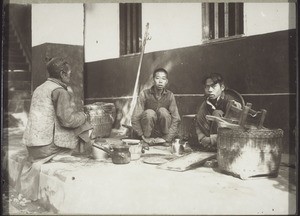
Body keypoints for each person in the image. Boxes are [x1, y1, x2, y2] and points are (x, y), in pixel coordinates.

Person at [19, 57, 92, 200]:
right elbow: (67, 121)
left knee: (75, 122)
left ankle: (59, 153)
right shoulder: (60, 91)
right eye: (69, 74)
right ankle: (79, 153)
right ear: (62, 74)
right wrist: (84, 116)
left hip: (32, 147)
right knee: (83, 125)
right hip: (44, 148)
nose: (70, 76)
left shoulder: (40, 88)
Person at [131, 68, 181, 145]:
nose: (160, 81)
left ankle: (164, 140)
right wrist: (142, 136)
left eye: (163, 78)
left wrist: (167, 138)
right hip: (147, 134)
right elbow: (135, 118)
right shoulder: (144, 94)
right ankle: (147, 140)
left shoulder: (170, 95)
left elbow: (176, 118)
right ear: (153, 80)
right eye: (157, 78)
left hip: (163, 136)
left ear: (166, 81)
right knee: (149, 113)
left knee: (163, 111)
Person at [195, 73, 241, 151]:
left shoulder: (229, 100)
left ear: (222, 87)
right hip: (209, 140)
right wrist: (202, 138)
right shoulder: (206, 103)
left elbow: (235, 128)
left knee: (217, 113)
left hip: (228, 141)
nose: (209, 90)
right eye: (207, 87)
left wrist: (212, 139)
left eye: (213, 86)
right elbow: (199, 121)